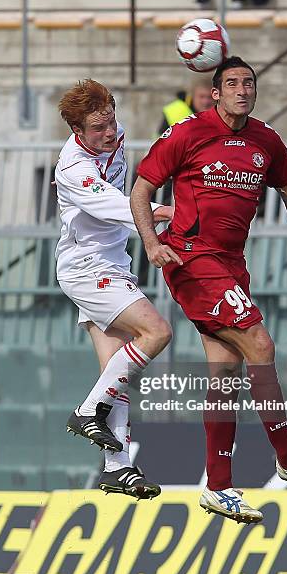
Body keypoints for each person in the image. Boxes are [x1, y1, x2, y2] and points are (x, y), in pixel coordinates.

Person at [130, 56, 287, 523]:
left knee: (224, 374)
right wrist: (151, 244)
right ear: (216, 91)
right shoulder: (187, 133)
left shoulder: (266, 141)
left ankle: (219, 486)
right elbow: (141, 189)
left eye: (248, 83)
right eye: (232, 83)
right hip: (191, 256)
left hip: (230, 264)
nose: (242, 90)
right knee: (260, 342)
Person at [55, 79, 173, 500]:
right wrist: (166, 213)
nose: (109, 133)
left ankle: (117, 468)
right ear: (77, 132)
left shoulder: (116, 140)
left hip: (111, 261)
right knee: (157, 333)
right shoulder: (72, 168)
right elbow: (119, 206)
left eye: (111, 122)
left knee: (117, 373)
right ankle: (87, 411)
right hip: (88, 268)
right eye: (98, 129)